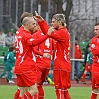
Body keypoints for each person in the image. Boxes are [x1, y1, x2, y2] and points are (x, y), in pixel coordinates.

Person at [35, 11, 71, 99]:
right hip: (64, 64)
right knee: (64, 90)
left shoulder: (62, 32)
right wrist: (41, 21)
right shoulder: (63, 32)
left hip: (61, 65)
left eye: (53, 21)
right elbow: (48, 33)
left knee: (59, 89)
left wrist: (42, 22)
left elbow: (48, 33)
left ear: (60, 22)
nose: (52, 24)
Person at [14, 17, 49, 99]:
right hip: (26, 67)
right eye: (33, 24)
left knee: (22, 91)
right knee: (34, 90)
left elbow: (30, 48)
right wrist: (47, 35)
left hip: (19, 66)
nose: (35, 25)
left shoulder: (20, 33)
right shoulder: (27, 35)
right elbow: (34, 42)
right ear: (27, 25)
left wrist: (42, 54)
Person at [32, 23, 54, 99]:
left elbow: (34, 49)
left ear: (38, 26)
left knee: (34, 85)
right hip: (48, 63)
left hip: (39, 62)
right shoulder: (50, 36)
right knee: (40, 84)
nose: (34, 27)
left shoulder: (37, 34)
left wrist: (41, 54)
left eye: (35, 25)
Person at [90, 23, 99, 99]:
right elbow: (95, 52)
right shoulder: (93, 40)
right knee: (95, 88)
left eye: (97, 29)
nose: (95, 31)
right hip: (96, 66)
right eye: (94, 29)